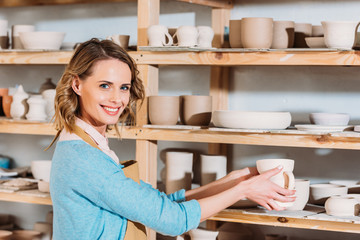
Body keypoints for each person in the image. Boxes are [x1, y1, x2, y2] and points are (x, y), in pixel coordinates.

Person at [50, 38, 295, 239]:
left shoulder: (89, 147)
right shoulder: (82, 158)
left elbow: (162, 205)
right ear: (77, 84)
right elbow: (172, 221)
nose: (117, 98)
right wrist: (244, 189)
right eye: (105, 85)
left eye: (124, 87)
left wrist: (233, 181)